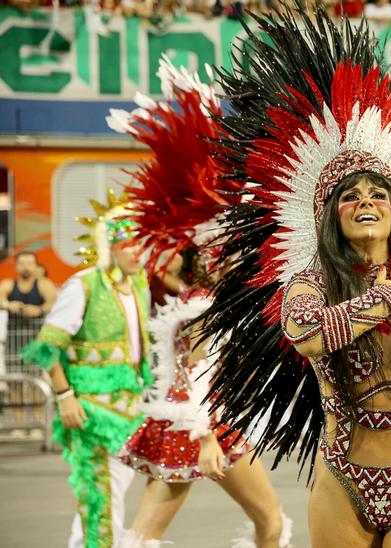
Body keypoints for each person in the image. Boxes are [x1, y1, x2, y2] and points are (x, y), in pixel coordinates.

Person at [199, 7, 391, 547]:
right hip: (342, 480)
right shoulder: (311, 283)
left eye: (377, 195)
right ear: (332, 216)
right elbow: (308, 334)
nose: (366, 202)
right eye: (350, 196)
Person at [107, 58, 290, 547]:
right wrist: (208, 436)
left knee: (145, 533)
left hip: (183, 419)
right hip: (206, 423)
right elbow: (199, 369)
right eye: (230, 253)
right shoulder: (208, 304)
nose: (240, 261)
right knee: (270, 522)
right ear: (210, 258)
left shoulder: (193, 298)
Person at [21, 191, 153, 548]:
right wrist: (65, 397)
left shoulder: (138, 286)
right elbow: (48, 347)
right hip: (89, 412)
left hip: (129, 410)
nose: (137, 253)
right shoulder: (84, 285)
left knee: (112, 498)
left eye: (142, 245)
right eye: (129, 245)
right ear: (110, 246)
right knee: (100, 501)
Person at [0, 251, 57, 318]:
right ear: (15, 266)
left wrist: (39, 310)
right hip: (12, 327)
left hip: (38, 327)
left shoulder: (44, 284)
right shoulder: (8, 284)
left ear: (36, 266)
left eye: (30, 264)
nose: (26, 267)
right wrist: (8, 305)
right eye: (22, 264)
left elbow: (53, 304)